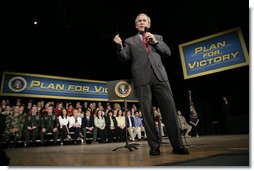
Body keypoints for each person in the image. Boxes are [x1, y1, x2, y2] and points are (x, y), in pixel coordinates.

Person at [113, 13, 189, 155]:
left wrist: (155, 41)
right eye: (139, 21)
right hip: (142, 79)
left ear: (149, 23)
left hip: (160, 77)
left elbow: (168, 52)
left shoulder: (158, 37)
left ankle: (177, 145)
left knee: (170, 111)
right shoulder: (130, 41)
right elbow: (124, 58)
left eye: (144, 21)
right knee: (147, 114)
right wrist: (119, 46)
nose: (142, 23)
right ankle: (154, 146)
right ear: (136, 25)